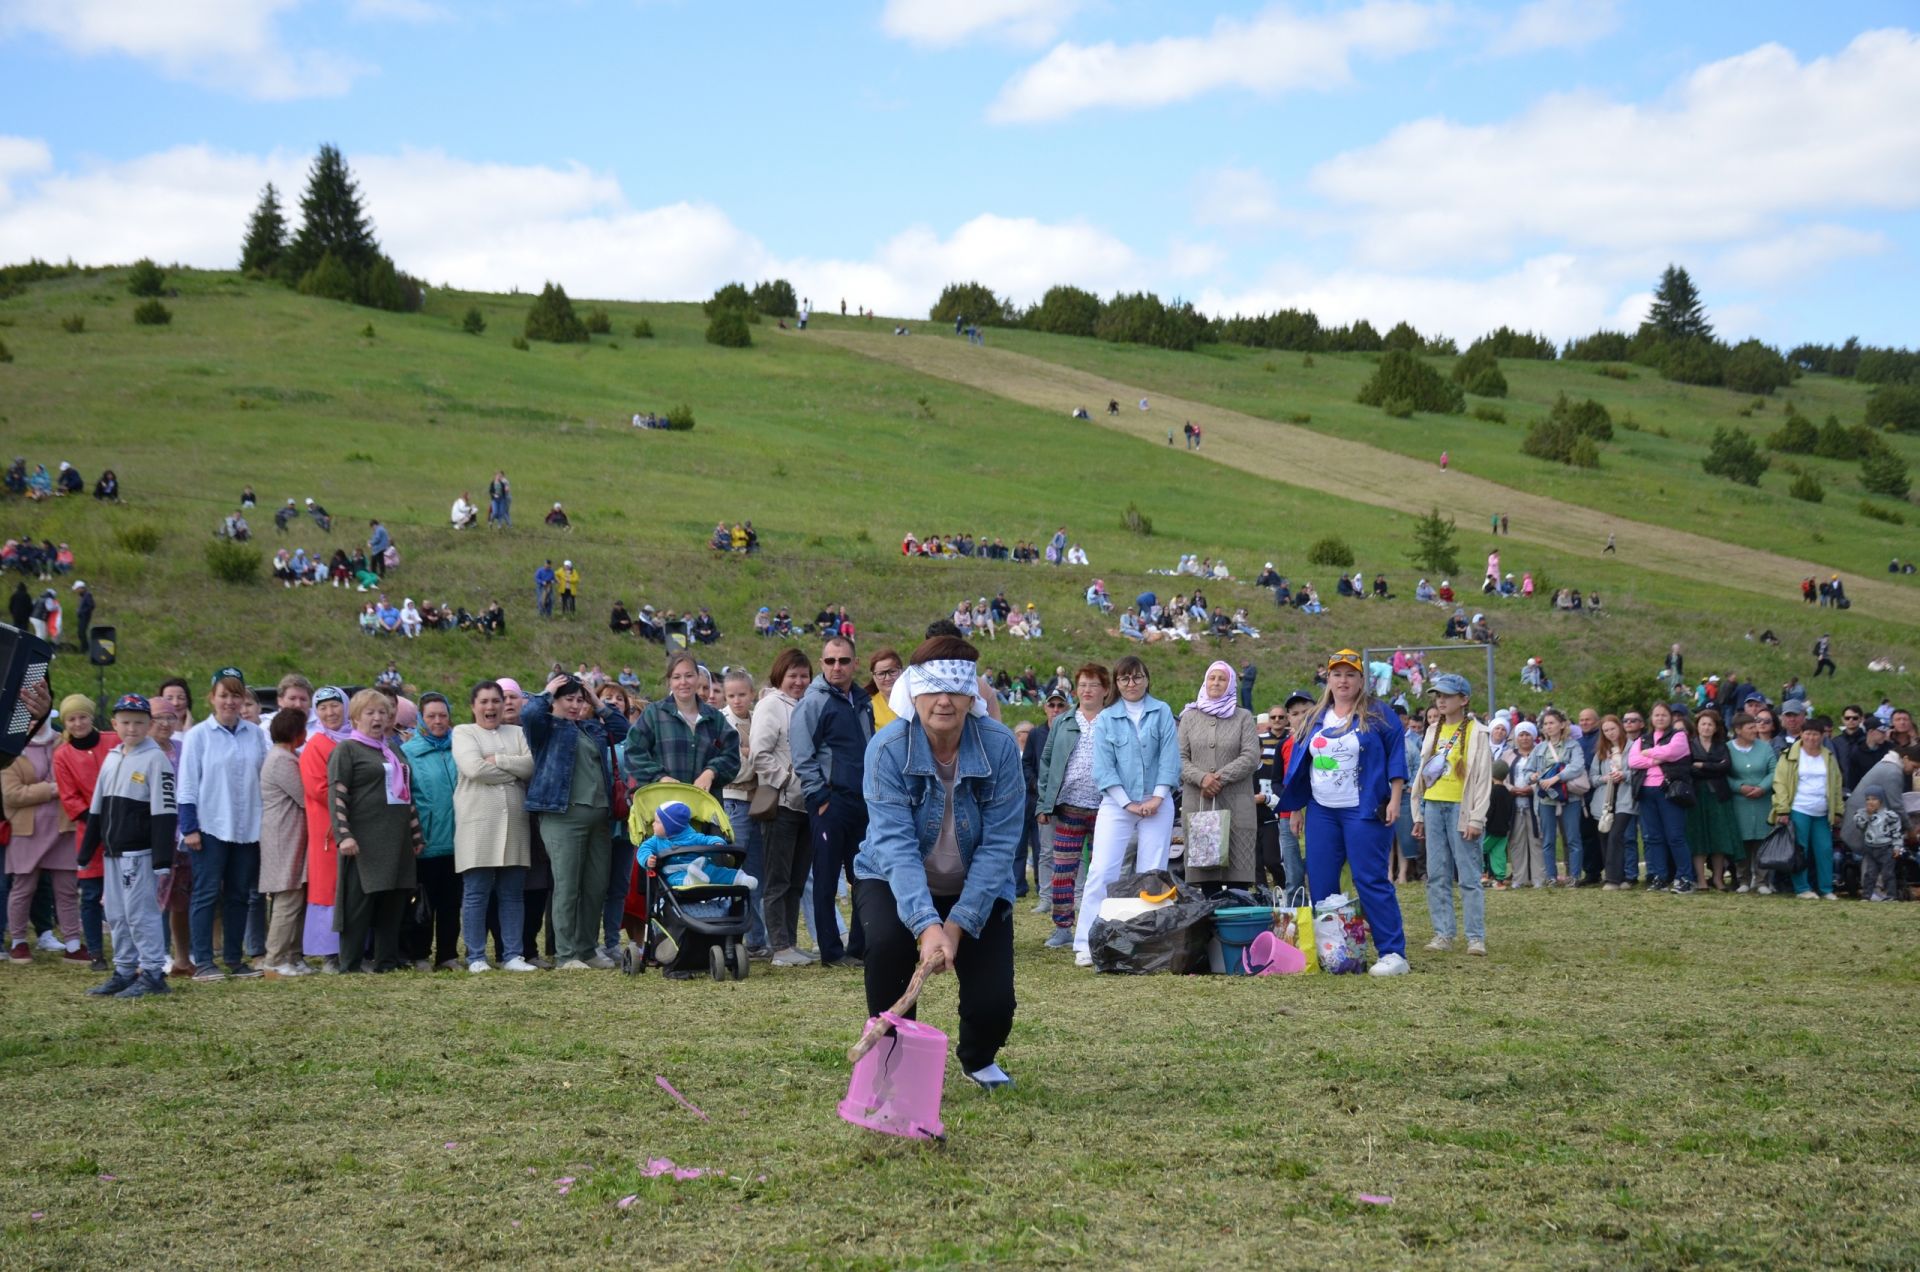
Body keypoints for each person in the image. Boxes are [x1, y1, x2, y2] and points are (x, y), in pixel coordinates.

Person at [853, 635, 1023, 1090]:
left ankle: (978, 1059)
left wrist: (957, 924)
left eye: (956, 689)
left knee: (994, 1002)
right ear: (914, 692)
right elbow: (894, 844)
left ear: (972, 695)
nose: (944, 700)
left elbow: (1001, 843)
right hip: (894, 878)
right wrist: (926, 924)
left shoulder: (1001, 747)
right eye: (933, 688)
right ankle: (892, 1064)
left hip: (976, 883)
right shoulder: (887, 749)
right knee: (888, 951)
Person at [1277, 650, 1410, 976]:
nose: (1343, 680)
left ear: (1361, 680)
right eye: (1337, 674)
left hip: (1363, 809)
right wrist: (1296, 806)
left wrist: (1394, 798)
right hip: (1322, 811)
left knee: (1370, 879)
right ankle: (1335, 951)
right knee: (1320, 880)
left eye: (1350, 674)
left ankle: (1393, 953)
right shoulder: (1316, 716)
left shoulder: (1379, 715)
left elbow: (1396, 757)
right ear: (1329, 679)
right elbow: (1299, 765)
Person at [1074, 654, 1179, 968]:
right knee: (1101, 870)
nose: (1131, 684)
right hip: (1117, 803)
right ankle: (1085, 943)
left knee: (1152, 873)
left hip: (1158, 801)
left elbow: (1170, 759)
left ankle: (1147, 942)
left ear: (1147, 678)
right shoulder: (1107, 718)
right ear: (1116, 685)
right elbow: (1103, 769)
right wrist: (1128, 803)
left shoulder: (1162, 712)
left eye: (1137, 677)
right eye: (1124, 679)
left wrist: (1158, 798)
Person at [522, 676, 629, 970]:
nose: (574, 705)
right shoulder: (545, 729)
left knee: (595, 886)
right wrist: (548, 691)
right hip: (562, 817)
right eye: (568, 699)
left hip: (600, 818)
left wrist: (596, 701)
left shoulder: (590, 728)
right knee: (567, 885)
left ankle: (587, 948)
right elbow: (529, 713)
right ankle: (566, 953)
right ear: (555, 701)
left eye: (578, 700)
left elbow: (621, 730)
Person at [75, 694, 176, 996]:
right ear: (114, 724)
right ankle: (124, 969)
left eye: (139, 723)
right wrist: (86, 850)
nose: (132, 728)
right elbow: (96, 808)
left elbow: (165, 811)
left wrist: (161, 859)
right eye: (126, 722)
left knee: (140, 912)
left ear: (149, 724)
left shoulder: (156, 759)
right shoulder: (113, 757)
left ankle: (153, 973)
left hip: (140, 853)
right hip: (113, 852)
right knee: (117, 913)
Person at [176, 667, 269, 980]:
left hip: (246, 828)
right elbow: (187, 784)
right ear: (212, 698)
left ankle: (234, 958)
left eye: (235, 695)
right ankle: (203, 961)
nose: (230, 701)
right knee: (205, 893)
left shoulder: (256, 735)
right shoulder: (198, 736)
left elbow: (263, 778)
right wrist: (189, 827)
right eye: (224, 695)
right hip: (210, 826)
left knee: (239, 894)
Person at [789, 636, 872, 968]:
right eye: (830, 661)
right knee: (825, 877)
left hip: (862, 802)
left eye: (843, 660)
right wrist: (820, 796)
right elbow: (802, 754)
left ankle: (860, 947)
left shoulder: (862, 701)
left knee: (864, 875)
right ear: (821, 664)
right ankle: (831, 952)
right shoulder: (812, 703)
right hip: (829, 802)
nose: (837, 666)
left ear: (854, 663)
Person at [327, 691, 423, 972]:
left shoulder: (393, 749)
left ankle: (386, 961)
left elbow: (407, 794)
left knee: (393, 903)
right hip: (364, 841)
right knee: (358, 905)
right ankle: (351, 963)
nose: (377, 718)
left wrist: (416, 835)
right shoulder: (347, 750)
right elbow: (337, 796)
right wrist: (344, 835)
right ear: (355, 718)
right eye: (370, 713)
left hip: (397, 839)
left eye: (382, 712)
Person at [452, 681, 536, 972]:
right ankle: (476, 956)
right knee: (476, 892)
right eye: (484, 702)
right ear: (474, 706)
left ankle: (512, 954)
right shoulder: (463, 732)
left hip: (514, 824)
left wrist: (498, 760)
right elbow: (473, 768)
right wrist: (511, 774)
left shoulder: (518, 732)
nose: (491, 707)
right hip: (478, 823)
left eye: (496, 701)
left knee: (512, 893)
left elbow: (531, 766)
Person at [1410, 673, 1492, 955]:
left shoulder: (1478, 733)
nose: (1440, 700)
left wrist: (1476, 818)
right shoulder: (1432, 730)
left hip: (1461, 808)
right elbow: (1423, 774)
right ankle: (1443, 933)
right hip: (1433, 805)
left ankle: (1475, 937)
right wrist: (1418, 813)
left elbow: (1482, 778)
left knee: (1469, 875)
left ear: (1464, 700)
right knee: (1437, 874)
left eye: (1446, 695)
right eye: (1437, 695)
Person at [751, 648, 817, 968]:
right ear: (781, 675)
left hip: (808, 805)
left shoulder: (810, 704)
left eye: (804, 675)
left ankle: (790, 942)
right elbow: (759, 754)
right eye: (793, 675)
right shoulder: (770, 705)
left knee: (796, 879)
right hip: (782, 804)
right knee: (777, 879)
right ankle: (778, 945)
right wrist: (788, 780)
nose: (799, 681)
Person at [4, 711, 83, 964]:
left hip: (63, 827)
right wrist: (52, 789)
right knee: (23, 887)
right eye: (28, 719)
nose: (34, 723)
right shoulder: (10, 749)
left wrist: (42, 790)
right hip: (26, 830)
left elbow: (76, 780)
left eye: (40, 718)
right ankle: (18, 941)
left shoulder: (65, 742)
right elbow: (12, 794)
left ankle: (72, 943)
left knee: (67, 889)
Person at [1176, 661, 1260, 890]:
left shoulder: (1243, 717)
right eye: (1212, 677)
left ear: (1231, 683)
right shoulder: (1189, 717)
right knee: (1206, 881)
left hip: (1236, 804)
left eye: (1222, 678)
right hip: (1200, 803)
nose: (1216, 682)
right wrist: (1202, 778)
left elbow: (1251, 756)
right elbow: (1179, 758)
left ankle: (1235, 924)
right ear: (1205, 681)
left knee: (1238, 881)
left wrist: (1218, 778)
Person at [54, 694, 118, 968]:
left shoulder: (113, 740)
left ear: (92, 717)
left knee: (121, 895)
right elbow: (70, 799)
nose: (78, 723)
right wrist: (100, 827)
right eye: (72, 718)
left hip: (123, 826)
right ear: (66, 723)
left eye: (82, 716)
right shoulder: (62, 755)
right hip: (89, 832)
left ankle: (127, 947)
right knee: (91, 895)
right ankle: (95, 952)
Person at [400, 694, 462, 970]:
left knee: (451, 904)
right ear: (421, 720)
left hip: (458, 840)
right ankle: (420, 953)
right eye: (431, 716)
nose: (438, 721)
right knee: (423, 902)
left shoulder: (459, 748)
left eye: (443, 715)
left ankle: (447, 954)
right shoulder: (409, 752)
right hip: (426, 840)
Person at [718, 669, 769, 956]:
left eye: (742, 694)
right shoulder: (725, 723)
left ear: (751, 694)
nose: (737, 700)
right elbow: (736, 769)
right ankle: (731, 937)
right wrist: (752, 755)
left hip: (758, 802)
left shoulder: (756, 719)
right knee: (732, 871)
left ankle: (756, 940)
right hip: (735, 801)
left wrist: (753, 754)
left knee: (755, 875)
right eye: (731, 695)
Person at [1771, 714, 1843, 900]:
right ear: (1801, 735)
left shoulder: (1829, 757)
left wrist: (1837, 810)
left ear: (1822, 736)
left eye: (1816, 734)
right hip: (1799, 808)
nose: (1812, 738)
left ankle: (1826, 888)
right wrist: (1782, 808)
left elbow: (1836, 784)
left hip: (1822, 811)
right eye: (1808, 734)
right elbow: (1780, 783)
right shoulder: (1789, 756)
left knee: (1824, 850)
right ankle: (1802, 888)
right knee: (1799, 850)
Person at [1627, 703, 1694, 893]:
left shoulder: (1678, 736)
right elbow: (1633, 761)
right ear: (1651, 718)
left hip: (1669, 790)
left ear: (1670, 717)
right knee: (1653, 837)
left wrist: (1648, 754)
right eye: (1656, 715)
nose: (1660, 718)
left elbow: (1673, 752)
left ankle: (1684, 878)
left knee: (1675, 836)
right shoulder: (1643, 738)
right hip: (1646, 791)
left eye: (1664, 715)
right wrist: (1657, 758)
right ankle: (1659, 876)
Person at [1683, 708, 1740, 889]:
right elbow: (1689, 768)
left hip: (1718, 795)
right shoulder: (1689, 744)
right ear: (1697, 726)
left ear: (1716, 728)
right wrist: (1713, 766)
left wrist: (1703, 765)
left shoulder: (1722, 745)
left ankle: (1718, 878)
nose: (1706, 728)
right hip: (1696, 795)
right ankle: (1701, 879)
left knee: (1719, 837)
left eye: (1710, 724)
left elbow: (1726, 767)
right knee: (1698, 837)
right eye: (1703, 724)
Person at [1531, 708, 1586, 885]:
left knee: (1573, 838)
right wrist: (1532, 777)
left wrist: (1557, 777)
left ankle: (1575, 876)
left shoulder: (1573, 745)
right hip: (1546, 798)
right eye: (1546, 724)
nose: (1548, 727)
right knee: (1547, 839)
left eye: (1552, 723)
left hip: (1570, 797)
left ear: (1562, 725)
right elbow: (1528, 770)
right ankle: (1551, 877)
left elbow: (1577, 766)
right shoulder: (1539, 748)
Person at [1589, 714, 1639, 889]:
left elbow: (1639, 772)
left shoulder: (1633, 747)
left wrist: (1623, 775)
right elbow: (1592, 778)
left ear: (1620, 727)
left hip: (1625, 799)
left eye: (1612, 729)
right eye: (1606, 730)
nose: (1610, 733)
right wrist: (1605, 778)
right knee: (1604, 835)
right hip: (1605, 801)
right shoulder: (1601, 752)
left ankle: (1612, 879)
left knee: (1617, 835)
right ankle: (1620, 875)